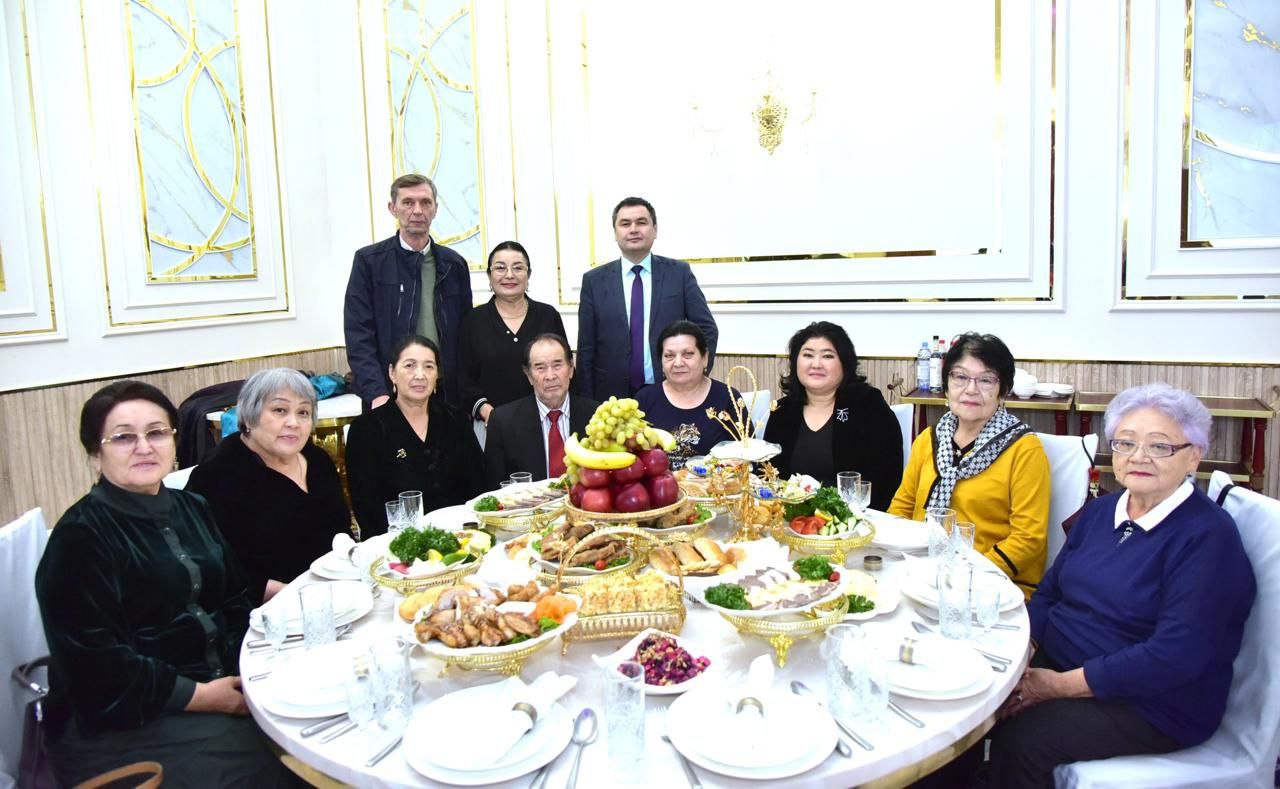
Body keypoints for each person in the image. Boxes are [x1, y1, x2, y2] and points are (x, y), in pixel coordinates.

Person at [987, 383, 1256, 787]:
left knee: (1023, 739)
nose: (1138, 457)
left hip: (1152, 702)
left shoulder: (1207, 537)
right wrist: (1022, 655)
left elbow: (1176, 655)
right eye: (1126, 443)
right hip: (1060, 662)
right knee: (973, 698)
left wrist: (1056, 686)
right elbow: (1050, 593)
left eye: (1160, 446)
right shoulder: (1100, 511)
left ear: (1194, 456)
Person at [34, 381, 297, 787]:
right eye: (124, 437)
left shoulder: (192, 507)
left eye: (156, 433)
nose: (144, 447)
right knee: (282, 764)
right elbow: (98, 668)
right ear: (95, 454)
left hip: (218, 682)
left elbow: (233, 597)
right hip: (125, 721)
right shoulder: (80, 538)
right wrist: (204, 697)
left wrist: (259, 667)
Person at [888, 332, 1050, 596]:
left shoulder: (1024, 450)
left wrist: (966, 575)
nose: (971, 389)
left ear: (1003, 391)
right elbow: (902, 508)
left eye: (986, 380)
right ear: (946, 385)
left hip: (993, 583)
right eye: (960, 377)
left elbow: (1028, 539)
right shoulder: (928, 440)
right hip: (922, 573)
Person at [188, 368, 351, 605]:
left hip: (337, 592)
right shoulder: (217, 474)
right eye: (279, 410)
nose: (293, 423)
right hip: (265, 608)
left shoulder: (317, 459)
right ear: (250, 416)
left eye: (303, 412)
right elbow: (214, 568)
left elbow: (341, 531)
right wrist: (296, 595)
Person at [344, 173, 473, 408]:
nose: (417, 210)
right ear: (393, 208)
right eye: (408, 202)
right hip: (388, 395)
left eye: (425, 202)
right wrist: (377, 393)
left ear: (435, 209)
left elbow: (466, 337)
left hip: (445, 394)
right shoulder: (369, 262)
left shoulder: (454, 265)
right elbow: (358, 335)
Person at [576, 196, 718, 400]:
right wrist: (586, 401)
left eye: (641, 222)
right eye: (625, 224)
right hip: (611, 396)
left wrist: (696, 375)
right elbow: (586, 348)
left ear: (655, 229)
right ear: (615, 233)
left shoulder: (679, 273)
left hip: (669, 391)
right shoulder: (594, 281)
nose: (633, 229)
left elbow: (707, 328)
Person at [345, 335, 486, 536]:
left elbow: (478, 486)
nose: (420, 375)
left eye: (429, 366)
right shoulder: (367, 429)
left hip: (460, 538)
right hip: (396, 544)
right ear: (392, 373)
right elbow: (366, 507)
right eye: (409, 365)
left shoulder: (456, 420)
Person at [763, 321, 902, 510]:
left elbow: (887, 477)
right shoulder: (782, 410)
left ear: (845, 363)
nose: (816, 364)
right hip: (790, 518)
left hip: (853, 520)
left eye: (828, 356)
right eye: (808, 355)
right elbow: (767, 474)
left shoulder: (868, 404)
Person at [458, 241, 569, 425]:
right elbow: (464, 381)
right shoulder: (473, 321)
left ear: (528, 274)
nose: (509, 275)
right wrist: (488, 412)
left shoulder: (548, 316)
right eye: (500, 268)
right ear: (489, 275)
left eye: (518, 268)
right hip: (492, 424)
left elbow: (565, 368)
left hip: (546, 422)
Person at [484, 333, 597, 486]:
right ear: (529, 376)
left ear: (571, 369)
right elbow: (494, 488)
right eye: (540, 368)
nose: (550, 376)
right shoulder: (503, 423)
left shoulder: (595, 416)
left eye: (557, 365)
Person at [635, 320, 744, 469]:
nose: (678, 363)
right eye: (669, 356)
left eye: (688, 354)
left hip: (715, 483)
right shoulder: (645, 399)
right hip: (658, 483)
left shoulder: (728, 397)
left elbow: (749, 457)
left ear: (705, 358)